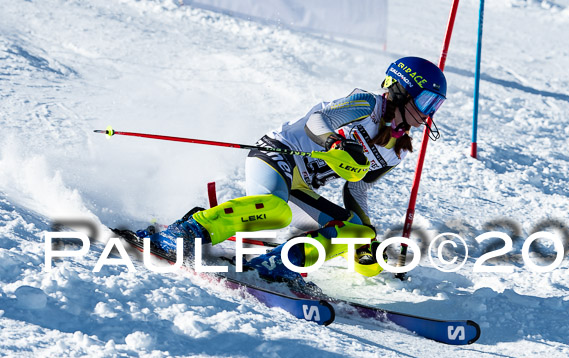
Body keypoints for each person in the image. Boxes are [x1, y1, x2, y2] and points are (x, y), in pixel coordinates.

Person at [137, 56, 447, 286]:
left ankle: (281, 263)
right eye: (426, 100)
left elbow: (357, 188)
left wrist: (366, 242)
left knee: (357, 231)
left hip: (301, 185)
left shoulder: (394, 152)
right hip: (277, 155)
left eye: (435, 105)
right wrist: (333, 144)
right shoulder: (366, 105)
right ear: (401, 90)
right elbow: (317, 122)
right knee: (276, 211)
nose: (428, 113)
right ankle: (185, 232)